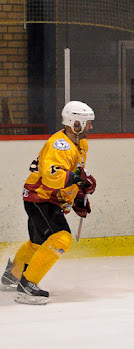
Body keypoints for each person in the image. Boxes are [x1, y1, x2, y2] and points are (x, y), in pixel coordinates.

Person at [1, 101, 96, 305]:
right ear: (75, 123)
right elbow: (52, 176)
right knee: (61, 238)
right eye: (87, 123)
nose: (90, 127)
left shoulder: (81, 144)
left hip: (42, 197)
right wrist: (79, 179)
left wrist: (78, 195)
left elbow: (72, 172)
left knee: (37, 243)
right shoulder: (58, 145)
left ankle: (12, 276)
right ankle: (27, 286)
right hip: (41, 197)